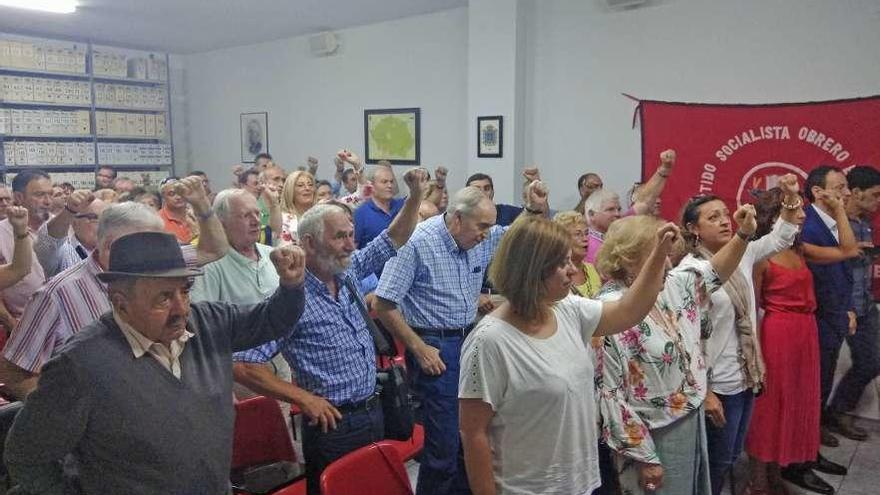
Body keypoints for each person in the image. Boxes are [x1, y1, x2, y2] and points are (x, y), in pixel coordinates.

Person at [5, 231, 306, 495]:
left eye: (185, 291)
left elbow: (271, 320)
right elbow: (27, 456)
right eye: (163, 297)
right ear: (120, 301)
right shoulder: (81, 364)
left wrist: (291, 287)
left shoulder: (208, 322)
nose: (181, 309)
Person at [233, 168, 427, 495]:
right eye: (340, 236)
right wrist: (303, 398)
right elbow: (243, 364)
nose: (350, 245)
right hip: (334, 425)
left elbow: (394, 237)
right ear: (308, 243)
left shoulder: (346, 272)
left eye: (351, 234)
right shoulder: (290, 301)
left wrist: (416, 196)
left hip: (373, 410)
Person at [460, 216, 677, 495]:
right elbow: (473, 433)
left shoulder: (568, 309)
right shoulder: (489, 341)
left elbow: (628, 310)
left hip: (579, 484)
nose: (573, 271)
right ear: (533, 270)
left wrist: (658, 254)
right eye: (563, 263)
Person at [375, 182, 548, 494]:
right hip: (435, 347)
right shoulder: (418, 242)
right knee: (443, 449)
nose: (486, 234)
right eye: (481, 226)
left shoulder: (479, 237)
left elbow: (512, 235)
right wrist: (417, 347)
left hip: (470, 339)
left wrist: (533, 208)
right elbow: (383, 303)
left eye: (489, 227)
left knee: (470, 436)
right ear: (456, 219)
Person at [0, 178, 228, 401]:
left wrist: (201, 205)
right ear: (111, 246)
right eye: (147, 246)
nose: (158, 253)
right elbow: (14, 371)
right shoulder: (57, 295)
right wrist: (68, 410)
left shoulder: (157, 267)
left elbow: (214, 250)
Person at [596, 206, 756, 495]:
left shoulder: (671, 285)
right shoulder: (610, 310)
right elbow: (610, 395)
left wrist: (743, 234)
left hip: (688, 419)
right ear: (630, 259)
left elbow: (716, 272)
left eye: (667, 253)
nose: (668, 262)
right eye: (656, 254)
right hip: (651, 434)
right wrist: (645, 457)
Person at [676, 176, 801, 495]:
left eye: (724, 214)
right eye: (712, 217)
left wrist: (789, 198)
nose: (722, 221)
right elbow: (686, 337)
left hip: (745, 375)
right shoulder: (690, 270)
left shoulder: (742, 252)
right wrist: (704, 392)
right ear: (693, 229)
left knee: (731, 457)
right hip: (717, 383)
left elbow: (781, 237)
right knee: (715, 463)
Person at [745, 186, 859, 495]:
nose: (803, 214)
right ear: (776, 215)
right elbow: (751, 307)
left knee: (795, 403)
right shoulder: (762, 255)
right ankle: (758, 480)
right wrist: (754, 355)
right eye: (795, 209)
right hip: (777, 334)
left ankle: (776, 471)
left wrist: (838, 210)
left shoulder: (799, 248)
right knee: (770, 408)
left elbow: (849, 250)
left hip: (805, 332)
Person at [799, 166, 860, 449]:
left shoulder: (837, 220)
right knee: (812, 387)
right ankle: (804, 449)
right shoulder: (808, 225)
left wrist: (847, 307)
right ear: (817, 191)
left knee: (823, 383)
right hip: (818, 319)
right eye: (839, 188)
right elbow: (816, 282)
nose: (846, 193)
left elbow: (843, 270)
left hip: (835, 316)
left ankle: (813, 438)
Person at [825, 166, 880, 439]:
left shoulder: (866, 223)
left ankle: (837, 412)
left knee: (873, 360)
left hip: (866, 305)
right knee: (827, 367)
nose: (878, 201)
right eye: (875, 195)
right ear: (855, 193)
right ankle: (829, 417)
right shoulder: (835, 223)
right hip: (843, 306)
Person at [0, 170, 51, 321]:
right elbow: (19, 270)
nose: (48, 201)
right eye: (40, 194)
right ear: (19, 198)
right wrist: (13, 325)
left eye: (50, 194)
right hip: (23, 322)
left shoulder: (61, 226)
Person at [34, 190, 107, 277]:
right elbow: (48, 240)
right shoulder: (62, 252)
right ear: (74, 221)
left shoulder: (113, 252)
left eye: (106, 218)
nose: (102, 224)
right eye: (94, 218)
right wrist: (70, 210)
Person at [354, 164, 404, 247]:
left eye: (392, 182)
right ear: (371, 185)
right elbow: (353, 249)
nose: (390, 186)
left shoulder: (402, 207)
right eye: (384, 182)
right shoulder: (361, 214)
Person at [554, 210, 602, 298]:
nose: (585, 239)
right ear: (562, 239)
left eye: (586, 233)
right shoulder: (557, 274)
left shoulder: (592, 268)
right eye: (578, 234)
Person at [279, 169, 317, 246]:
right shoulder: (283, 219)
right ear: (290, 191)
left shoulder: (322, 216)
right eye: (300, 185)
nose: (307, 188)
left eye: (310, 185)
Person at [158, 177, 198, 244]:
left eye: (181, 192)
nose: (178, 197)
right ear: (163, 197)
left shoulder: (196, 214)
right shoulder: (158, 219)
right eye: (172, 194)